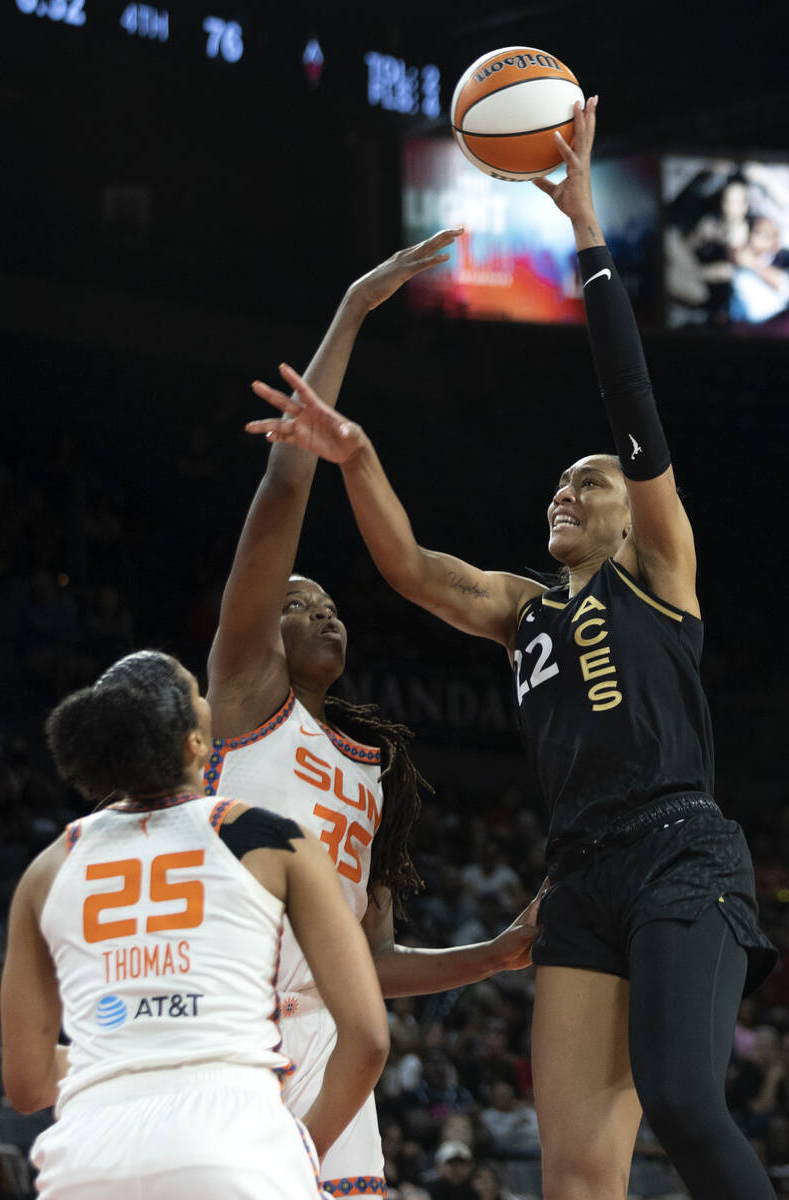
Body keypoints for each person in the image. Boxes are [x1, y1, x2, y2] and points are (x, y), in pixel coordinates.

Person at [245, 97, 778, 1200]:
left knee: (680, 1101)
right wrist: (353, 454)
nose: (564, 492)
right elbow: (410, 569)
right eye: (557, 484)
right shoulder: (517, 607)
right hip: (577, 874)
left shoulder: (659, 576)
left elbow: (629, 403)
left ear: (628, 513)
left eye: (585, 483)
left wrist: (584, 226)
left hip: (680, 848)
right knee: (575, 1182)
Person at [205, 238, 547, 1196]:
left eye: (332, 605)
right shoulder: (243, 698)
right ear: (259, 631)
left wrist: (494, 955)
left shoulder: (371, 771)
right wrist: (353, 308)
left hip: (327, 1036)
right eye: (298, 601)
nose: (322, 611)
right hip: (229, 1020)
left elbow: (374, 964)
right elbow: (283, 489)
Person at [0, 649, 390, 1200]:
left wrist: (134, 1044)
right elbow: (369, 1040)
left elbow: (27, 1082)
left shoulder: (49, 867)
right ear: (196, 744)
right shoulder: (267, 837)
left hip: (86, 1156)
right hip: (233, 1141)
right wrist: (304, 1146)